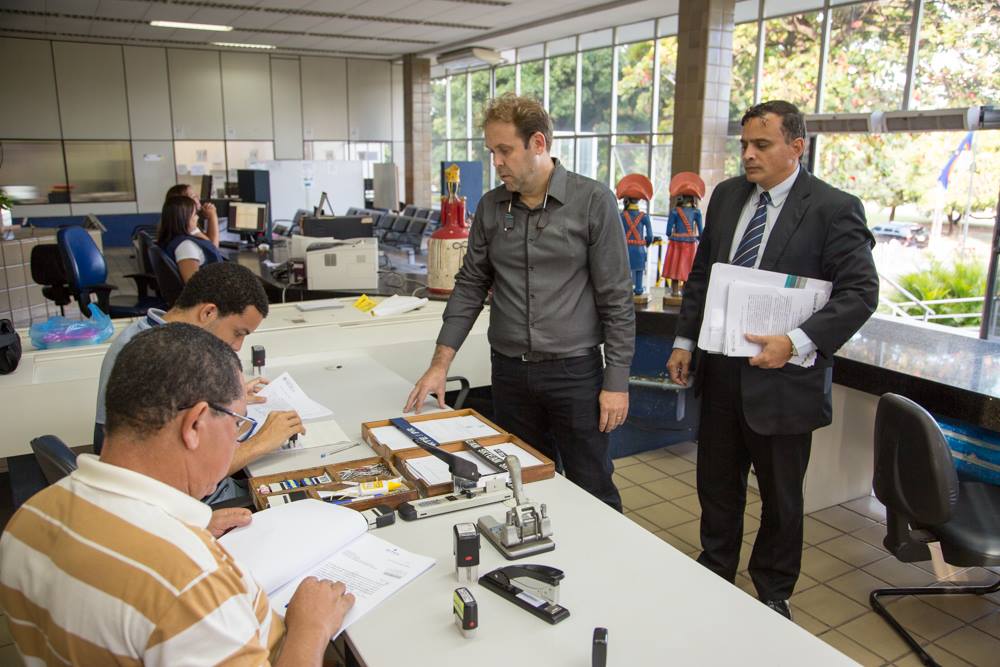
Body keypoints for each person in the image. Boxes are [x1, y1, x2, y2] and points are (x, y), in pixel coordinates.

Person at [0, 324, 354, 666]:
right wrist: (312, 628)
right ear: (196, 425)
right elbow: (171, 597)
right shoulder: (189, 587)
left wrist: (179, 530)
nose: (237, 436)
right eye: (237, 422)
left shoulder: (27, 520)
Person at [666, 101, 879, 619]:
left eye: (761, 145)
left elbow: (860, 292)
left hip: (783, 378)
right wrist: (684, 342)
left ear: (796, 147)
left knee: (781, 499)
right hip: (720, 372)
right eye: (743, 144)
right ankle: (715, 569)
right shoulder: (727, 197)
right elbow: (702, 278)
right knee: (716, 484)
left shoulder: (834, 207)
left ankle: (772, 591)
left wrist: (799, 339)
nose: (748, 155)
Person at [404, 93, 635, 511]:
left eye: (505, 150)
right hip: (510, 375)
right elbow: (471, 285)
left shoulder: (593, 201)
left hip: (575, 375)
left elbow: (616, 298)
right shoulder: (492, 207)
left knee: (592, 485)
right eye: (492, 152)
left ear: (539, 144)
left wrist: (616, 382)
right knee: (519, 479)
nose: (497, 163)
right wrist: (440, 365)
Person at [93, 262, 303, 503]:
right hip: (202, 503)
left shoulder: (146, 335)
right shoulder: (160, 359)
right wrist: (261, 442)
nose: (237, 346)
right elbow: (171, 478)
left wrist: (224, 398)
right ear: (208, 313)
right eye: (238, 332)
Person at [157, 194, 225, 282]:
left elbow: (210, 245)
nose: (197, 217)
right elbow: (193, 286)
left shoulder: (178, 239)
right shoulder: (186, 247)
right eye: (194, 214)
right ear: (184, 219)